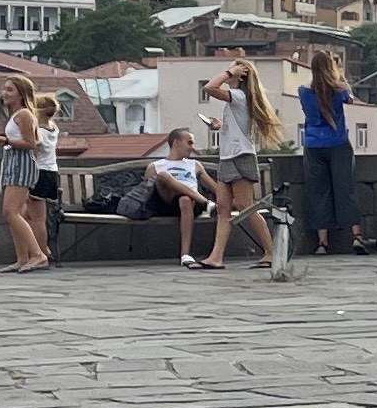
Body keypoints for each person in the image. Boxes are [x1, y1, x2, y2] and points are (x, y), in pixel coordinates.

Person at [199, 54, 283, 271]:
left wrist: (229, 72)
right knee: (223, 208)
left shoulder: (239, 96)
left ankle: (271, 251)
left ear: (241, 76)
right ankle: (216, 256)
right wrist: (220, 126)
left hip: (240, 156)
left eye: (232, 71)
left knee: (246, 206)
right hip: (228, 156)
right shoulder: (237, 99)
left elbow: (209, 88)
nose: (228, 73)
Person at [291, 48, 358, 274]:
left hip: (313, 144)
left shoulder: (303, 91)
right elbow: (350, 98)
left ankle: (322, 242)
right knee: (345, 188)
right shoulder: (338, 90)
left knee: (317, 192)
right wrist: (339, 73)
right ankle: (356, 236)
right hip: (338, 142)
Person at [0, 75, 54, 271]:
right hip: (14, 163)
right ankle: (22, 258)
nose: (4, 93)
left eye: (9, 90)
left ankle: (38, 255)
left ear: (21, 94)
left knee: (11, 212)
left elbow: (31, 143)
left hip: (21, 165)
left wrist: (4, 141)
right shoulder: (18, 115)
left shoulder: (24, 115)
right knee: (14, 213)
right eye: (4, 89)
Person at [147, 133, 211, 267]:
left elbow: (214, 187)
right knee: (163, 176)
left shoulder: (195, 165)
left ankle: (185, 255)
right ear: (176, 142)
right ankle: (206, 203)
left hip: (191, 205)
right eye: (189, 143)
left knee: (185, 200)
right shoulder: (155, 166)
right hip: (166, 203)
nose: (192, 147)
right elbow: (148, 192)